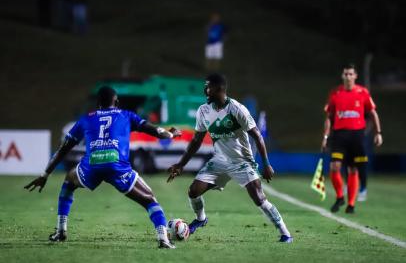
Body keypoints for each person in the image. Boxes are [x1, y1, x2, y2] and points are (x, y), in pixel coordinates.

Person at [24, 86, 181, 249]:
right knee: (149, 199)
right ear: (117, 102)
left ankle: (60, 231)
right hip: (117, 166)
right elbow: (155, 130)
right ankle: (163, 238)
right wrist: (171, 134)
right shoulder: (126, 115)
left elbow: (63, 149)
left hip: (92, 165)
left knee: (69, 181)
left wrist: (45, 174)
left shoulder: (85, 119)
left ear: (98, 103)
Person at [167, 73, 293, 243]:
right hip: (219, 161)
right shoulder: (203, 110)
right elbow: (196, 140)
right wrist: (181, 164)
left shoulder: (236, 109)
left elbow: (257, 136)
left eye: (208, 87)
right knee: (193, 191)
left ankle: (285, 233)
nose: (205, 90)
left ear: (219, 89)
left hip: (242, 162)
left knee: (259, 198)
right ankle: (201, 219)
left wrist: (267, 164)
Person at [321, 64, 383, 213]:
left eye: (350, 74)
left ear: (355, 76)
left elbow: (373, 113)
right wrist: (325, 136)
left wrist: (378, 133)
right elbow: (329, 117)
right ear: (342, 76)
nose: (348, 76)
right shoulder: (335, 93)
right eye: (346, 74)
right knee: (334, 166)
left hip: (357, 135)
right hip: (339, 135)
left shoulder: (363, 92)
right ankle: (340, 196)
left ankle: (351, 204)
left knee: (353, 169)